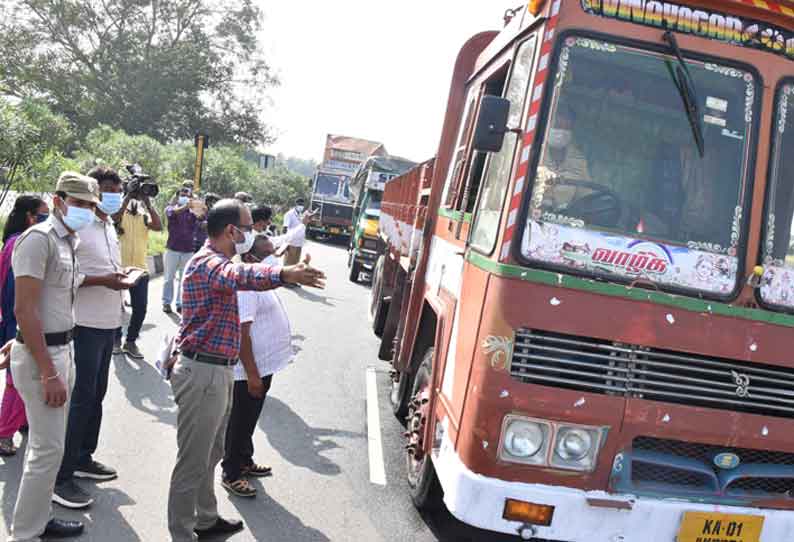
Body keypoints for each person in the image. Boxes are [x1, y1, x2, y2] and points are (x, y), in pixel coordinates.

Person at [167, 199, 325, 542]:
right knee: (192, 462)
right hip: (201, 372)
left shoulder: (220, 260)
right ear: (230, 231)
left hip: (219, 371)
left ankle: (205, 519)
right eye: (248, 226)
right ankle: (180, 534)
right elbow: (240, 276)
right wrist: (283, 273)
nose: (252, 232)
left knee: (211, 454)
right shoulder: (209, 263)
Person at [4, 172, 102, 541]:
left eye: (90, 205)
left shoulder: (68, 241)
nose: (85, 211)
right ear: (57, 200)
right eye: (78, 203)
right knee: (47, 451)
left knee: (48, 448)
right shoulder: (38, 240)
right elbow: (25, 310)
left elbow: (51, 302)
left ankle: (38, 518)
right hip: (46, 357)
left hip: (61, 348)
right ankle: (25, 534)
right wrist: (46, 371)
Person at [53, 166, 133, 510]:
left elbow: (102, 270)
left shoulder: (107, 227)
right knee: (81, 398)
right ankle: (61, 476)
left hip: (107, 323)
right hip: (82, 324)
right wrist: (105, 281)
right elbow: (66, 276)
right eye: (108, 190)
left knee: (96, 394)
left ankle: (84, 457)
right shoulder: (76, 230)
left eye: (118, 189)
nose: (114, 195)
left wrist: (122, 278)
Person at [221, 234, 295, 498]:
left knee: (250, 418)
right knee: (240, 419)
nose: (272, 260)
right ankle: (231, 472)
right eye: (267, 256)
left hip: (262, 365)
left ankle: (244, 460)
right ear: (251, 259)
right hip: (249, 369)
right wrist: (252, 374)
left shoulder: (257, 279)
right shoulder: (246, 286)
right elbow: (242, 332)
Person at [0, 196, 49, 456]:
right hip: (17, 323)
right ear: (31, 217)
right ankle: (4, 433)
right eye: (44, 215)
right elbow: (14, 294)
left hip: (16, 321)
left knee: (26, 379)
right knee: (16, 381)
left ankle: (21, 421)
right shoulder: (21, 244)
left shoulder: (15, 241)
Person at [113, 186, 163, 359]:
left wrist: (147, 202)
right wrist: (127, 197)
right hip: (119, 268)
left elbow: (158, 226)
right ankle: (115, 339)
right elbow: (114, 218)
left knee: (140, 308)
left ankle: (131, 341)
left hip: (141, 269)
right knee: (115, 308)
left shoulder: (143, 217)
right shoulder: (119, 215)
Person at [538, 104, 592, 210]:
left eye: (567, 128)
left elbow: (586, 197)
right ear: (547, 126)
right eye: (557, 127)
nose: (561, 133)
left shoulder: (579, 160)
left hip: (562, 219)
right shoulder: (532, 152)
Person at [163, 181, 198, 314]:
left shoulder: (192, 211)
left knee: (184, 280)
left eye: (186, 194)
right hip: (172, 248)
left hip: (188, 250)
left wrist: (195, 204)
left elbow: (201, 217)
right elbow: (174, 212)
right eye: (182, 194)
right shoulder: (170, 208)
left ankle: (180, 303)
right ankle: (166, 302)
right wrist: (186, 206)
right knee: (168, 278)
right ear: (177, 197)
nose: (184, 196)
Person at [282, 198, 306, 267]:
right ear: (296, 204)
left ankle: (292, 277)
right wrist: (285, 243)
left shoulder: (301, 214)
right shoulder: (289, 214)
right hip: (291, 242)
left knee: (295, 264)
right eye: (299, 204)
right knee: (288, 263)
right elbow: (284, 229)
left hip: (299, 243)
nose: (301, 206)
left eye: (302, 204)